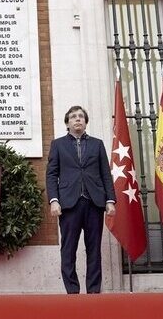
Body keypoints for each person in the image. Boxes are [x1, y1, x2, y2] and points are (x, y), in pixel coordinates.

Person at [46, 106, 116, 294]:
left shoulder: (97, 144)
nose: (78, 119)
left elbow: (105, 174)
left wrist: (110, 200)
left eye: (81, 117)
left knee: (94, 249)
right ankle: (72, 292)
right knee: (68, 250)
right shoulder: (58, 145)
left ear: (85, 122)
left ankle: (93, 291)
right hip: (68, 204)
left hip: (94, 203)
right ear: (67, 122)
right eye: (73, 117)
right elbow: (52, 175)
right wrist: (54, 200)